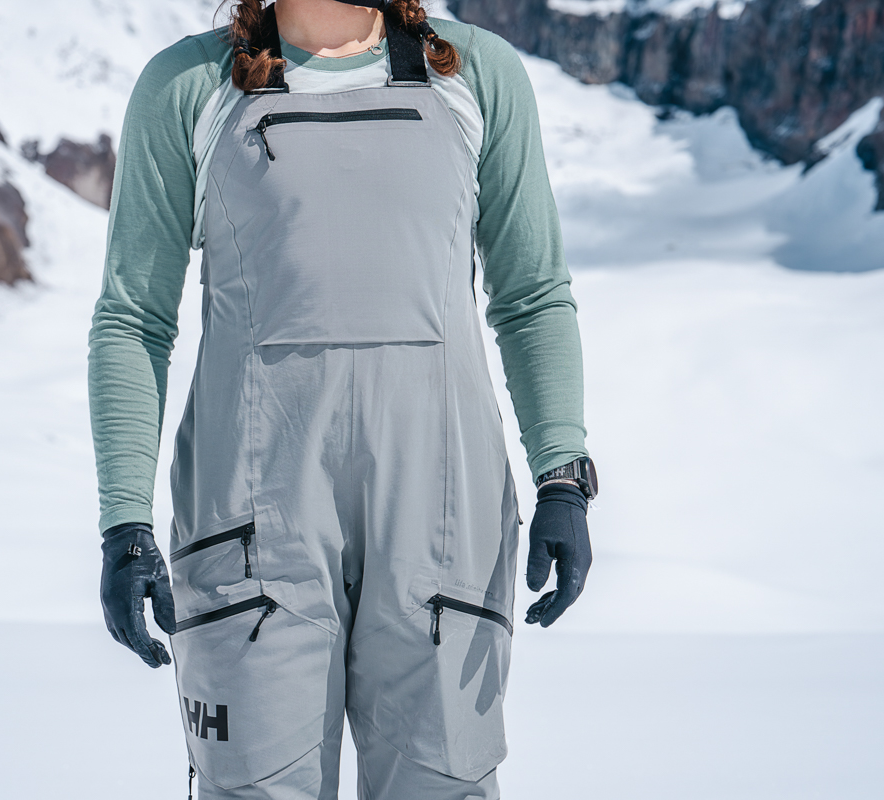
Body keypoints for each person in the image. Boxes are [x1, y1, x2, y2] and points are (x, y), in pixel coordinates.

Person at [89, 0, 597, 797]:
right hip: (248, 534)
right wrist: (124, 523)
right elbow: (133, 318)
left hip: (444, 530)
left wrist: (562, 478)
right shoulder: (189, 87)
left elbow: (531, 295)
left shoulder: (475, 75)